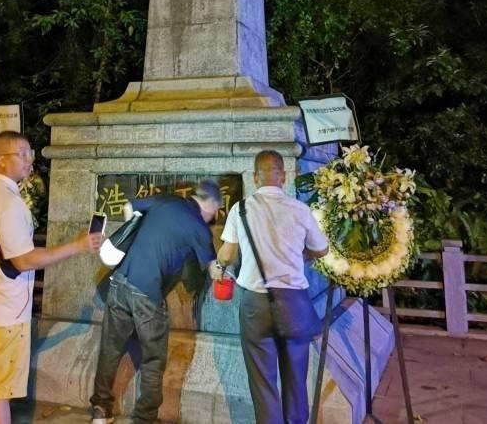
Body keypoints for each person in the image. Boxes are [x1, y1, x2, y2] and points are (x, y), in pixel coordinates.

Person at [0, 130, 102, 424]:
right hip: (5, 315)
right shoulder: (7, 202)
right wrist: (76, 246)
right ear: (0, 160)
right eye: (22, 154)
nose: (29, 161)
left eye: (30, 154)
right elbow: (22, 260)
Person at [90, 180, 222, 424]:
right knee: (153, 359)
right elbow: (214, 270)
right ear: (211, 204)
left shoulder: (167, 200)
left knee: (110, 349)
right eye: (216, 210)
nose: (214, 215)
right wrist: (226, 267)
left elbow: (129, 207)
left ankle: (100, 409)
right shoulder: (199, 229)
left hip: (119, 280)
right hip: (147, 293)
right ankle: (144, 418)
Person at [212, 150, 328, 424]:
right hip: (294, 304)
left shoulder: (240, 209)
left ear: (255, 178)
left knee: (263, 383)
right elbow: (321, 250)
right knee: (296, 379)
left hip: (255, 304)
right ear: (283, 176)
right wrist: (300, 256)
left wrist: (218, 267)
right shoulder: (300, 210)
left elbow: (227, 256)